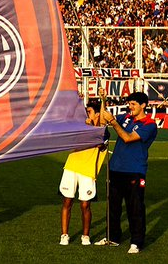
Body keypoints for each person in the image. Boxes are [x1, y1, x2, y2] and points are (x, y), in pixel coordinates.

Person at [95, 91, 158, 254]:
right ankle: (113, 238)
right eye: (129, 104)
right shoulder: (126, 117)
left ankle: (136, 242)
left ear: (143, 105)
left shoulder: (149, 124)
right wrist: (103, 99)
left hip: (134, 171)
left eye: (133, 104)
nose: (130, 107)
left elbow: (128, 137)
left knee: (135, 208)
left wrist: (114, 122)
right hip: (116, 168)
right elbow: (103, 119)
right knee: (113, 207)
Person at [58, 100, 109, 246]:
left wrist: (91, 125)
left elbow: (98, 143)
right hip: (71, 167)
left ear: (97, 114)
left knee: (85, 205)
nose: (86, 115)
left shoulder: (104, 131)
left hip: (88, 171)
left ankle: (85, 236)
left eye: (89, 112)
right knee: (67, 202)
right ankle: (64, 235)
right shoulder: (79, 127)